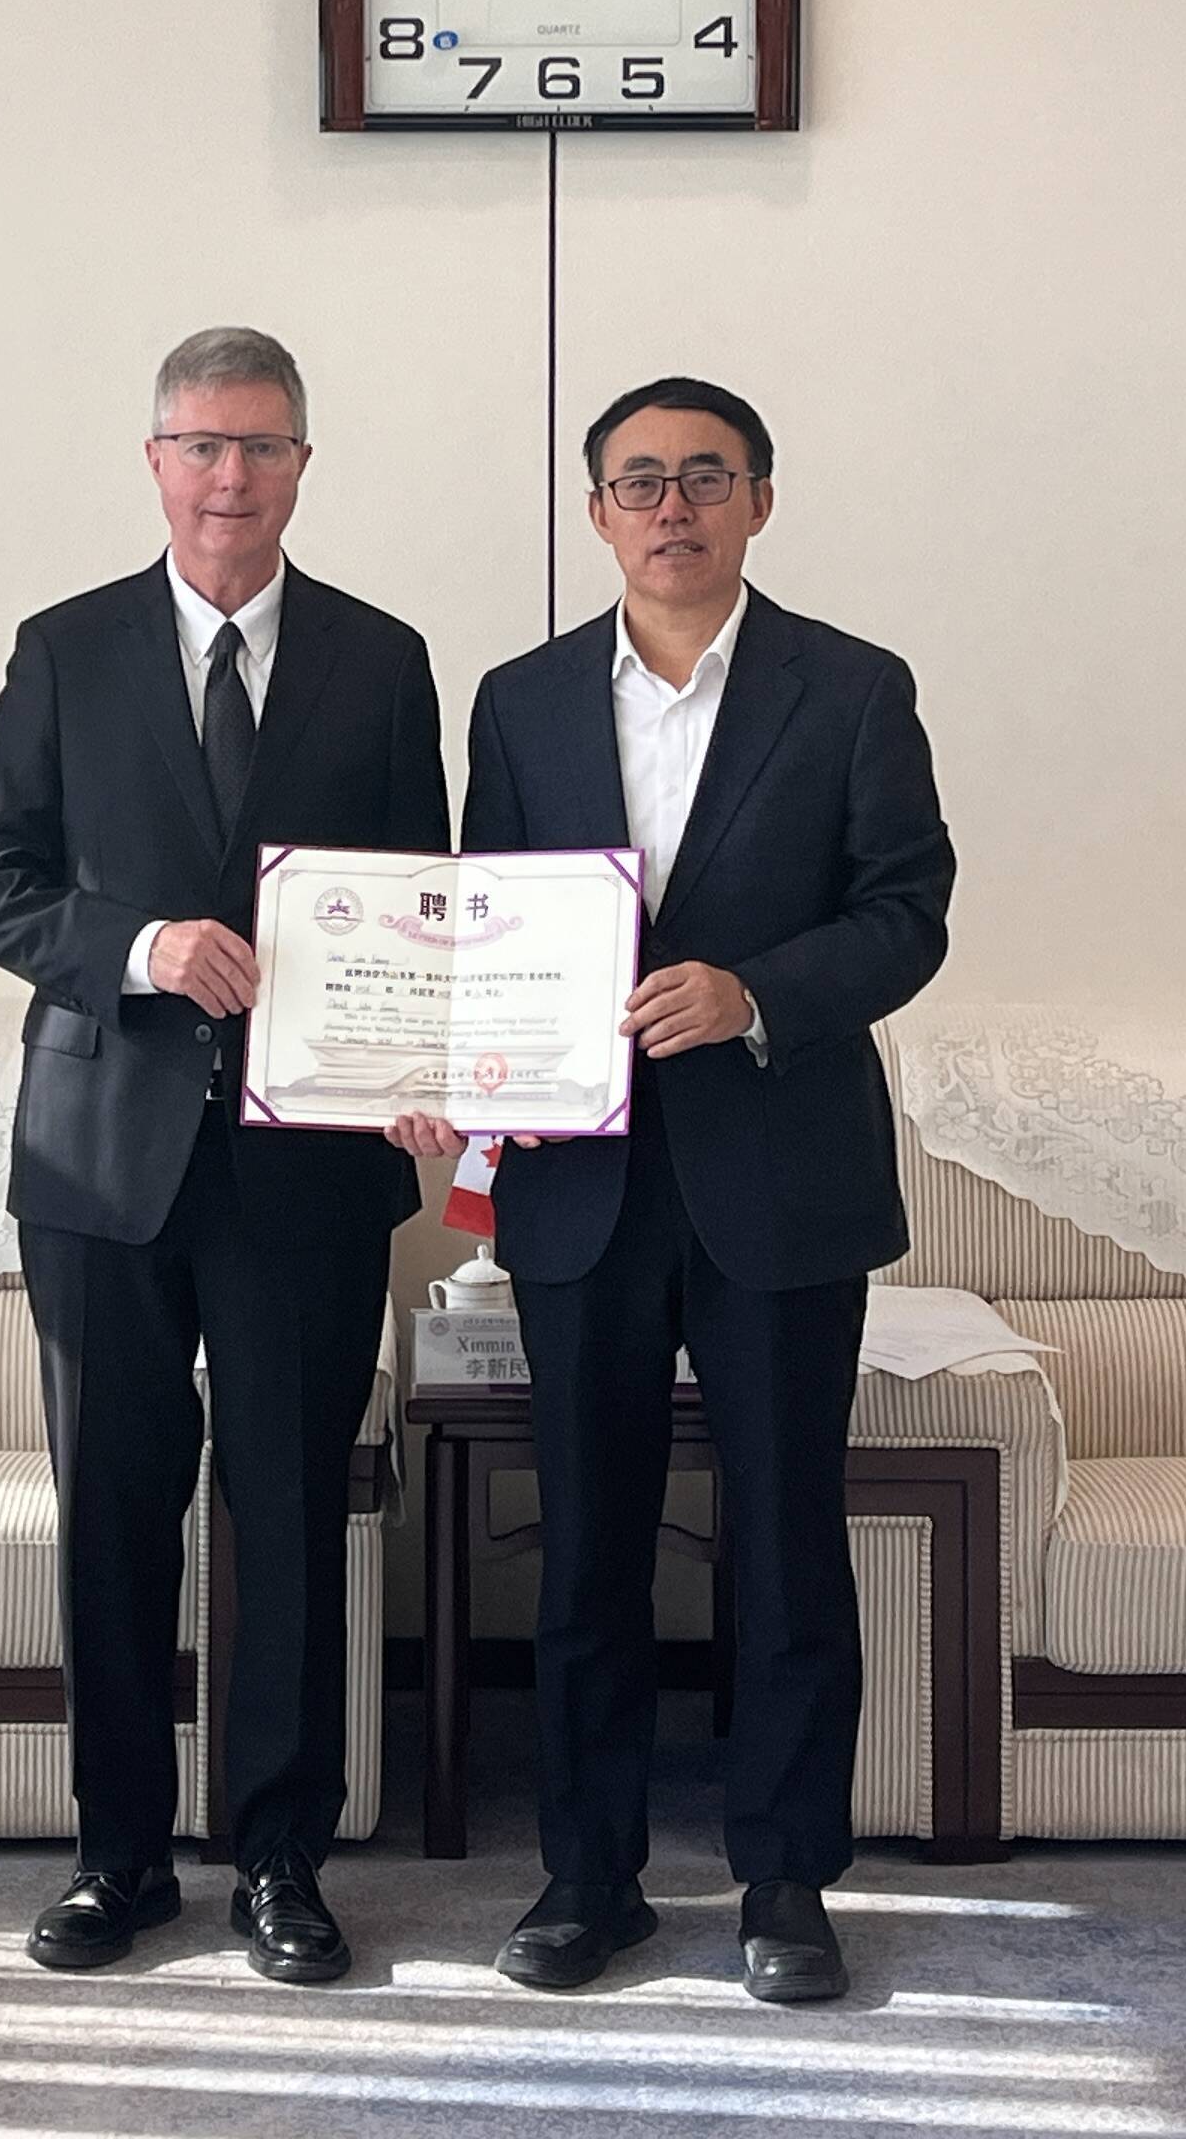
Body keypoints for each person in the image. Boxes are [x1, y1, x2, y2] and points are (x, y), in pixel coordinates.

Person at [391, 377, 953, 2004]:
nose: (673, 507)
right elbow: (484, 921)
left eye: (707, 477)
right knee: (588, 1551)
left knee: (785, 1545)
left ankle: (785, 1881)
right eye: (639, 481)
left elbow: (907, 913)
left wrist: (755, 993)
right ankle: (591, 1880)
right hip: (582, 1187)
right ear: (597, 514)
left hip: (782, 1177)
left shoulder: (853, 689)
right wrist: (455, 1079)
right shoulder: (522, 701)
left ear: (760, 500)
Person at [0, 325, 446, 1985]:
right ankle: (118, 1857)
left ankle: (283, 1861)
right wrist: (143, 947)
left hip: (310, 1163)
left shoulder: (382, 660)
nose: (232, 477)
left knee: (292, 1510)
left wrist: (433, 1065)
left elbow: (425, 907)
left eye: (262, 446)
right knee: (113, 1508)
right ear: (156, 462)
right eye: (203, 446)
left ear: (303, 464)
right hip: (104, 1153)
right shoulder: (64, 650)